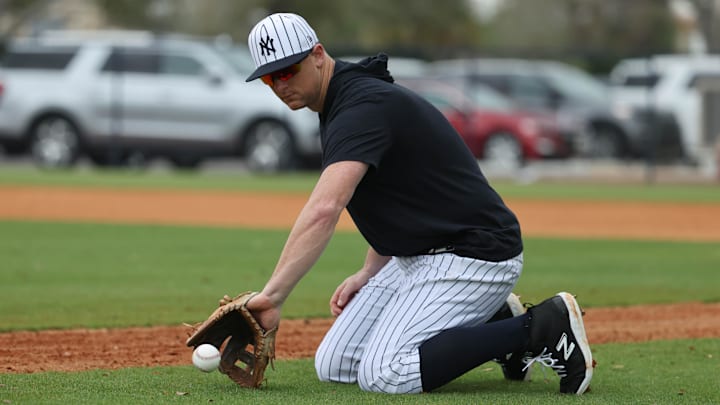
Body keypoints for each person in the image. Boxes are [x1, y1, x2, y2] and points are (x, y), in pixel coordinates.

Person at [243, 12, 594, 395]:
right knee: (336, 365)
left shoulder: (360, 107)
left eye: (287, 71)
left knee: (385, 374)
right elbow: (397, 195)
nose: (279, 85)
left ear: (318, 54)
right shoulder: (340, 103)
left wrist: (273, 296)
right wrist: (368, 272)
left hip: (475, 254)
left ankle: (539, 328)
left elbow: (325, 209)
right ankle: (492, 315)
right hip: (420, 255)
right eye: (268, 77)